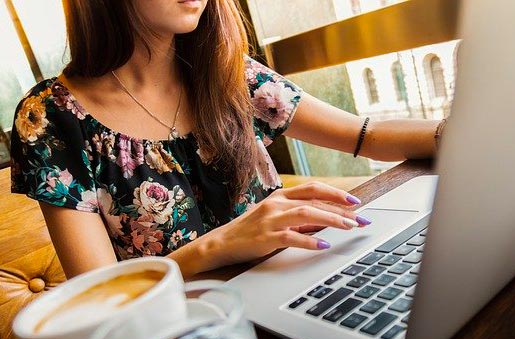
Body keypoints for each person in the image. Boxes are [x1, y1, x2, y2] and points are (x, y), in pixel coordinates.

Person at [10, 0, 442, 278]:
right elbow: (98, 296)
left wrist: (457, 132)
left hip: (294, 282)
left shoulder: (227, 72)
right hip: (184, 337)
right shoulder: (50, 117)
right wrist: (219, 246)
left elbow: (365, 135)